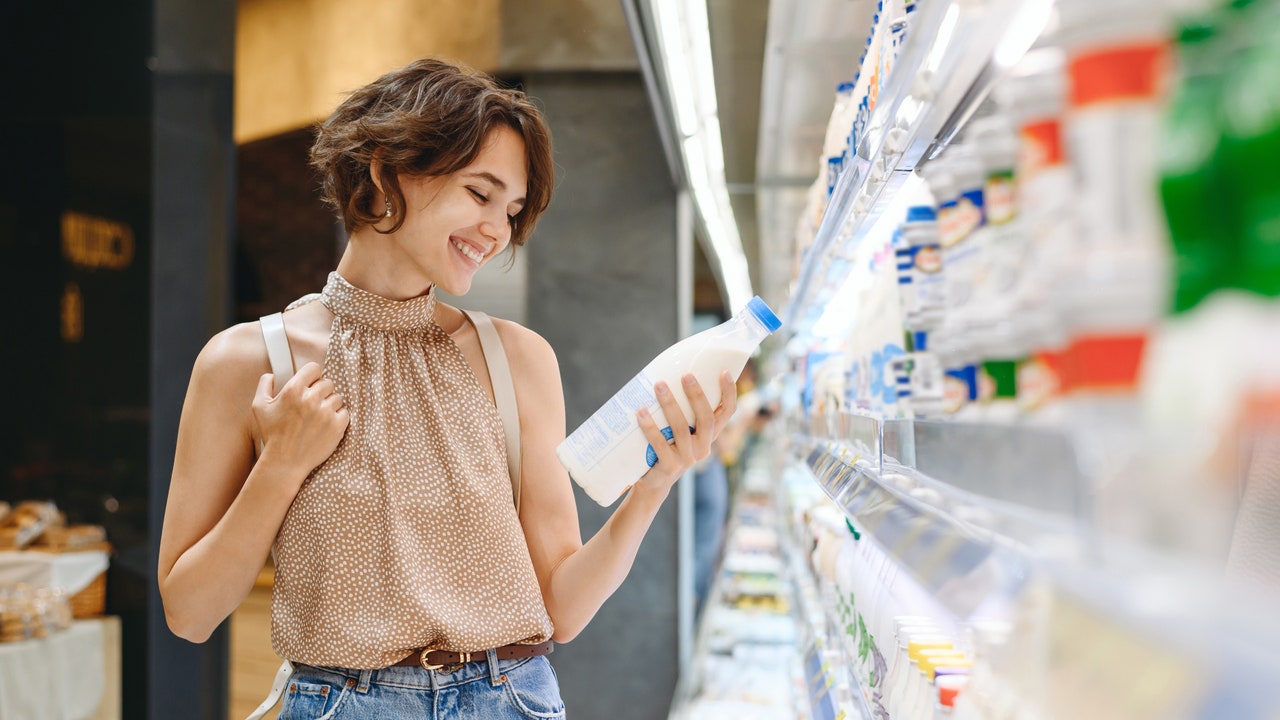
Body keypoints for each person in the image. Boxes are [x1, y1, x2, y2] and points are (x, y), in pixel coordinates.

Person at [157, 58, 738, 719]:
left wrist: (653, 485)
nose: (497, 231)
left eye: (512, 209)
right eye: (480, 193)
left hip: (513, 698)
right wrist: (281, 466)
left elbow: (563, 612)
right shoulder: (247, 363)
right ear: (385, 171)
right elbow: (190, 613)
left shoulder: (518, 359)